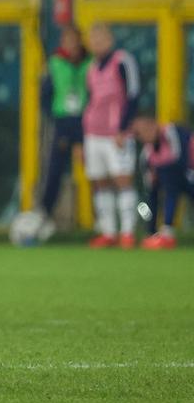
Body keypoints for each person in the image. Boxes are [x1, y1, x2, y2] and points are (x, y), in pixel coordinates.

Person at [83, 23, 140, 248]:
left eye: (101, 39)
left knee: (123, 179)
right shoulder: (91, 67)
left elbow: (134, 94)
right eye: (93, 40)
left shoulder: (122, 61)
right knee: (100, 181)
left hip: (116, 133)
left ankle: (127, 231)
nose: (97, 44)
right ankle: (108, 231)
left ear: (110, 40)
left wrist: (123, 128)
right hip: (93, 133)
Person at [36, 24, 91, 237]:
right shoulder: (54, 63)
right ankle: (44, 215)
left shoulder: (90, 62)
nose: (70, 43)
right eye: (66, 39)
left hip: (87, 123)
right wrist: (54, 117)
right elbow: (45, 94)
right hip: (62, 123)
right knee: (54, 171)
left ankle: (105, 223)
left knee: (98, 171)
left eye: (74, 39)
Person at [132, 113, 186, 250]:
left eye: (143, 131)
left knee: (169, 180)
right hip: (168, 180)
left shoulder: (172, 132)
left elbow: (181, 158)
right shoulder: (147, 150)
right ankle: (153, 233)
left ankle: (167, 232)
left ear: (153, 125)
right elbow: (147, 175)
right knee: (151, 194)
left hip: (186, 174)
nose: (141, 136)